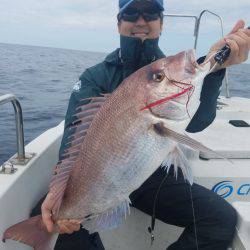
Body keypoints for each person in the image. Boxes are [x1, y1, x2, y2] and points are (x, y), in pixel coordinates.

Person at [33, 0, 250, 249]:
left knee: (220, 219)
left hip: (154, 175)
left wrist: (215, 68)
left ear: (161, 23)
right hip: (99, 178)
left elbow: (196, 122)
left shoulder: (171, 69)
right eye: (131, 13)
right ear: (119, 23)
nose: (141, 20)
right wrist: (58, 194)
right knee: (47, 217)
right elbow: (74, 134)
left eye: (151, 13)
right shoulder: (95, 76)